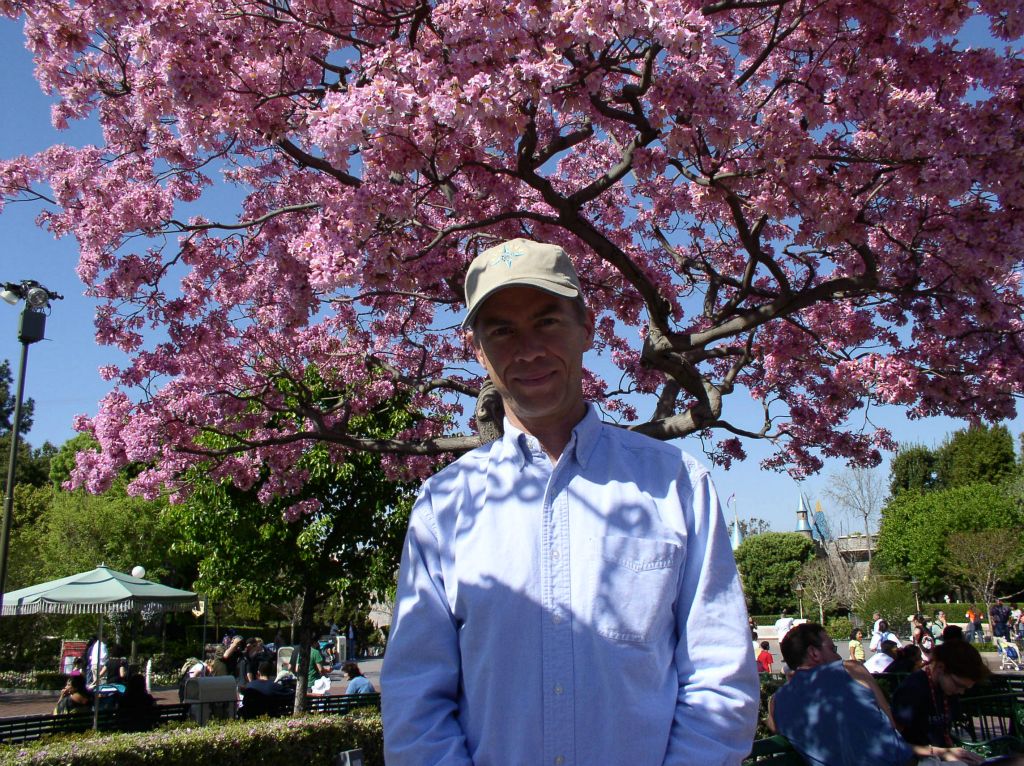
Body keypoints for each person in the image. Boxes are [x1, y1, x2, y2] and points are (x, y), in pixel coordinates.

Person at [381, 238, 758, 766]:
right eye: (502, 330)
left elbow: (719, 677)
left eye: (548, 321)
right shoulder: (444, 506)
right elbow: (415, 700)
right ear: (477, 349)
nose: (528, 349)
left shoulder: (675, 484)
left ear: (589, 328)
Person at [768, 623, 976, 766]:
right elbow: (891, 728)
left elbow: (775, 726)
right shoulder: (850, 669)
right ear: (814, 653)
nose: (837, 654)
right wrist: (941, 752)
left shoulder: (776, 703)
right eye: (832, 648)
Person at [891, 641, 994, 764]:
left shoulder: (946, 689)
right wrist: (941, 753)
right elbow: (892, 743)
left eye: (965, 688)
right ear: (940, 667)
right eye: (958, 685)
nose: (960, 692)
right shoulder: (912, 690)